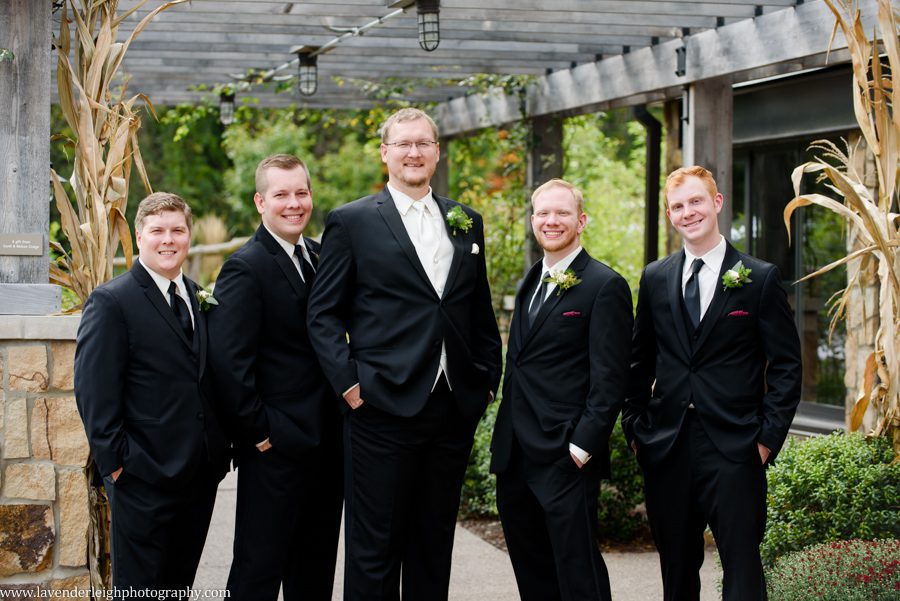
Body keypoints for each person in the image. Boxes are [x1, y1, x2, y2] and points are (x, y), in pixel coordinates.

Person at [307, 107, 502, 600]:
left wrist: (485, 382)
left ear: (437, 152)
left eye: (423, 143)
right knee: (374, 550)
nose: (413, 152)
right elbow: (323, 314)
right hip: (380, 408)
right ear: (385, 153)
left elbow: (477, 307)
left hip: (451, 409)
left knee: (433, 547)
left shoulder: (466, 221)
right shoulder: (351, 222)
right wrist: (350, 385)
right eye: (403, 144)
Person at [622, 166, 802, 600]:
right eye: (679, 206)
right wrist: (635, 428)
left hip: (736, 447)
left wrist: (766, 440)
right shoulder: (654, 277)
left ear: (717, 203)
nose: (689, 212)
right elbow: (637, 359)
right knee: (676, 571)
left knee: (742, 569)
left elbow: (786, 365)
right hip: (666, 446)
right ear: (670, 215)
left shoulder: (759, 278)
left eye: (697, 201)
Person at [74, 192, 229, 592]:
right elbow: (94, 394)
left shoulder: (198, 296)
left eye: (177, 230)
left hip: (198, 475)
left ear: (188, 236)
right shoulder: (112, 301)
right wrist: (119, 466)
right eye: (157, 230)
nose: (168, 239)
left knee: (178, 586)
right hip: (142, 478)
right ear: (139, 236)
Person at [489, 179, 633, 601]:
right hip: (515, 453)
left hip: (565, 456)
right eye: (543, 213)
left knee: (578, 575)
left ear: (581, 220)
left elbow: (611, 377)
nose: (552, 221)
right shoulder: (530, 280)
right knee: (532, 572)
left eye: (562, 213)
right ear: (533, 220)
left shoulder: (604, 285)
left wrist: (582, 447)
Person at [207, 154, 343, 600]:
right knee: (258, 571)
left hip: (327, 446)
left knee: (315, 571)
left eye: (301, 193)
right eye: (281, 194)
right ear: (260, 201)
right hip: (276, 449)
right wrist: (259, 432)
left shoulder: (321, 255)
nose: (294, 203)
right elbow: (229, 364)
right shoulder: (245, 267)